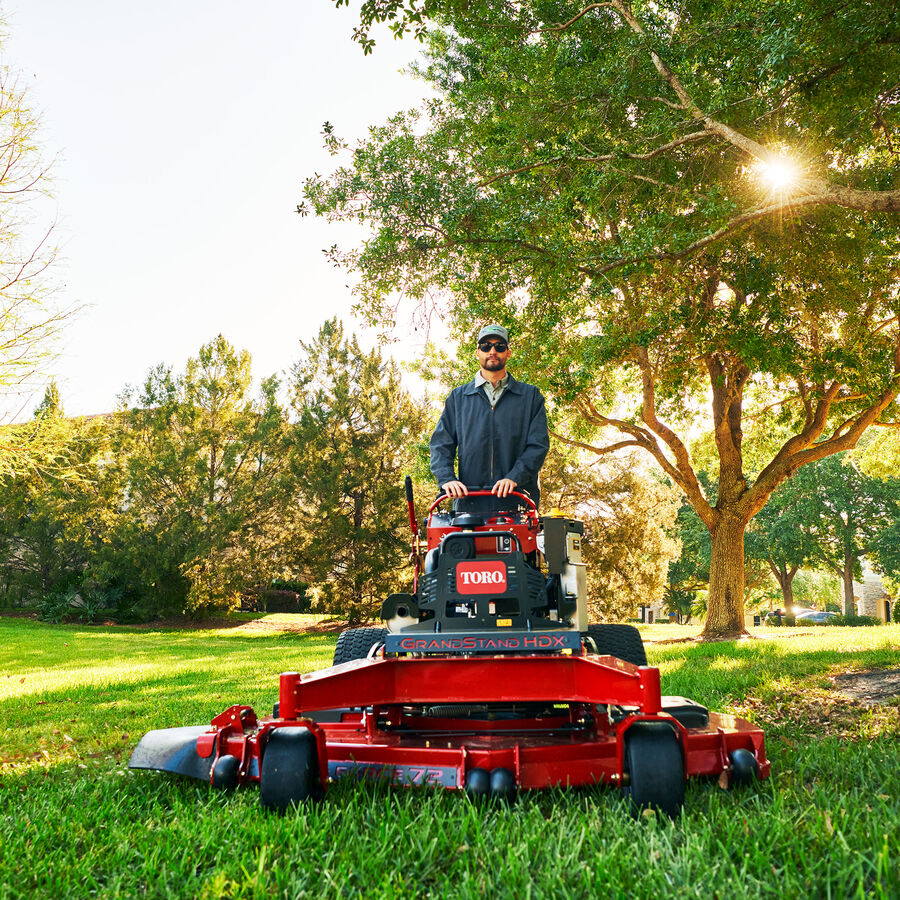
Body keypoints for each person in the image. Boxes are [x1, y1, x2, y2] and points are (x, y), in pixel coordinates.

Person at [430, 324, 550, 508]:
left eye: (499, 347)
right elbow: (440, 444)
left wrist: (514, 477)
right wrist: (446, 478)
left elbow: (538, 445)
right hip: (469, 505)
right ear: (477, 352)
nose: (492, 351)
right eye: (486, 346)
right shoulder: (458, 398)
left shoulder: (531, 397)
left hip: (518, 502)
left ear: (508, 353)